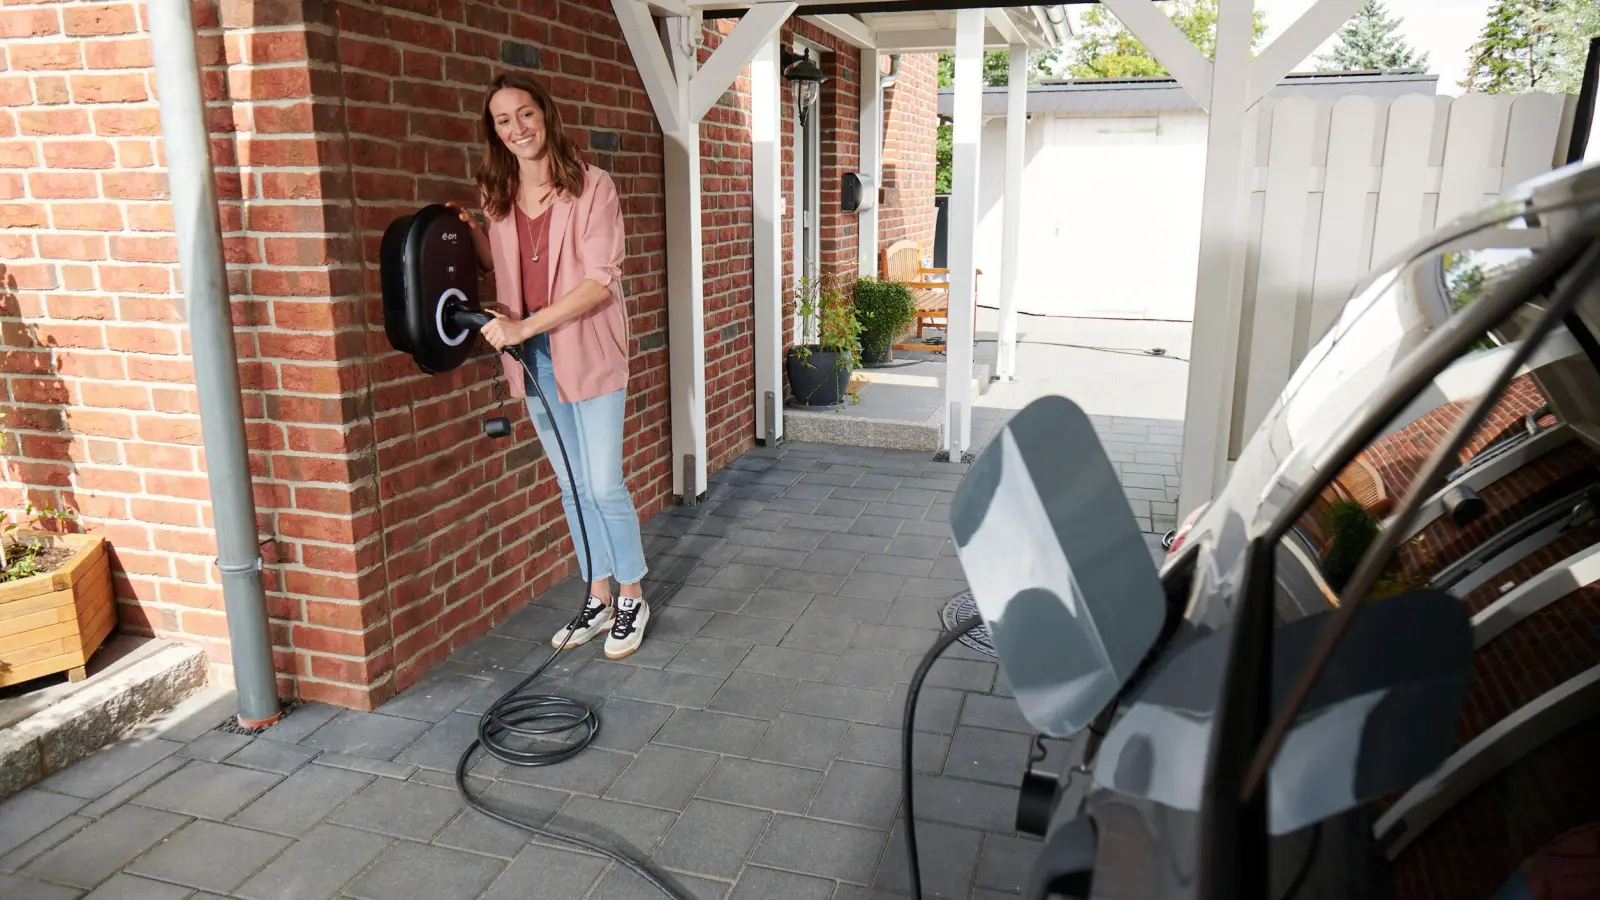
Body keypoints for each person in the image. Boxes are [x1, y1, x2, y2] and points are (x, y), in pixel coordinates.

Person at [445, 73, 650, 660]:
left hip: (585, 349)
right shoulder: (499, 194)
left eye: (525, 114)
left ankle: (632, 594)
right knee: (570, 484)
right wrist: (475, 240)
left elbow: (598, 283)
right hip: (533, 359)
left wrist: (523, 328)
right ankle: (598, 593)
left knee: (605, 482)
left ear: (547, 116)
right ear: (494, 131)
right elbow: (513, 272)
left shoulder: (592, 187)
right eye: (503, 120)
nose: (517, 129)